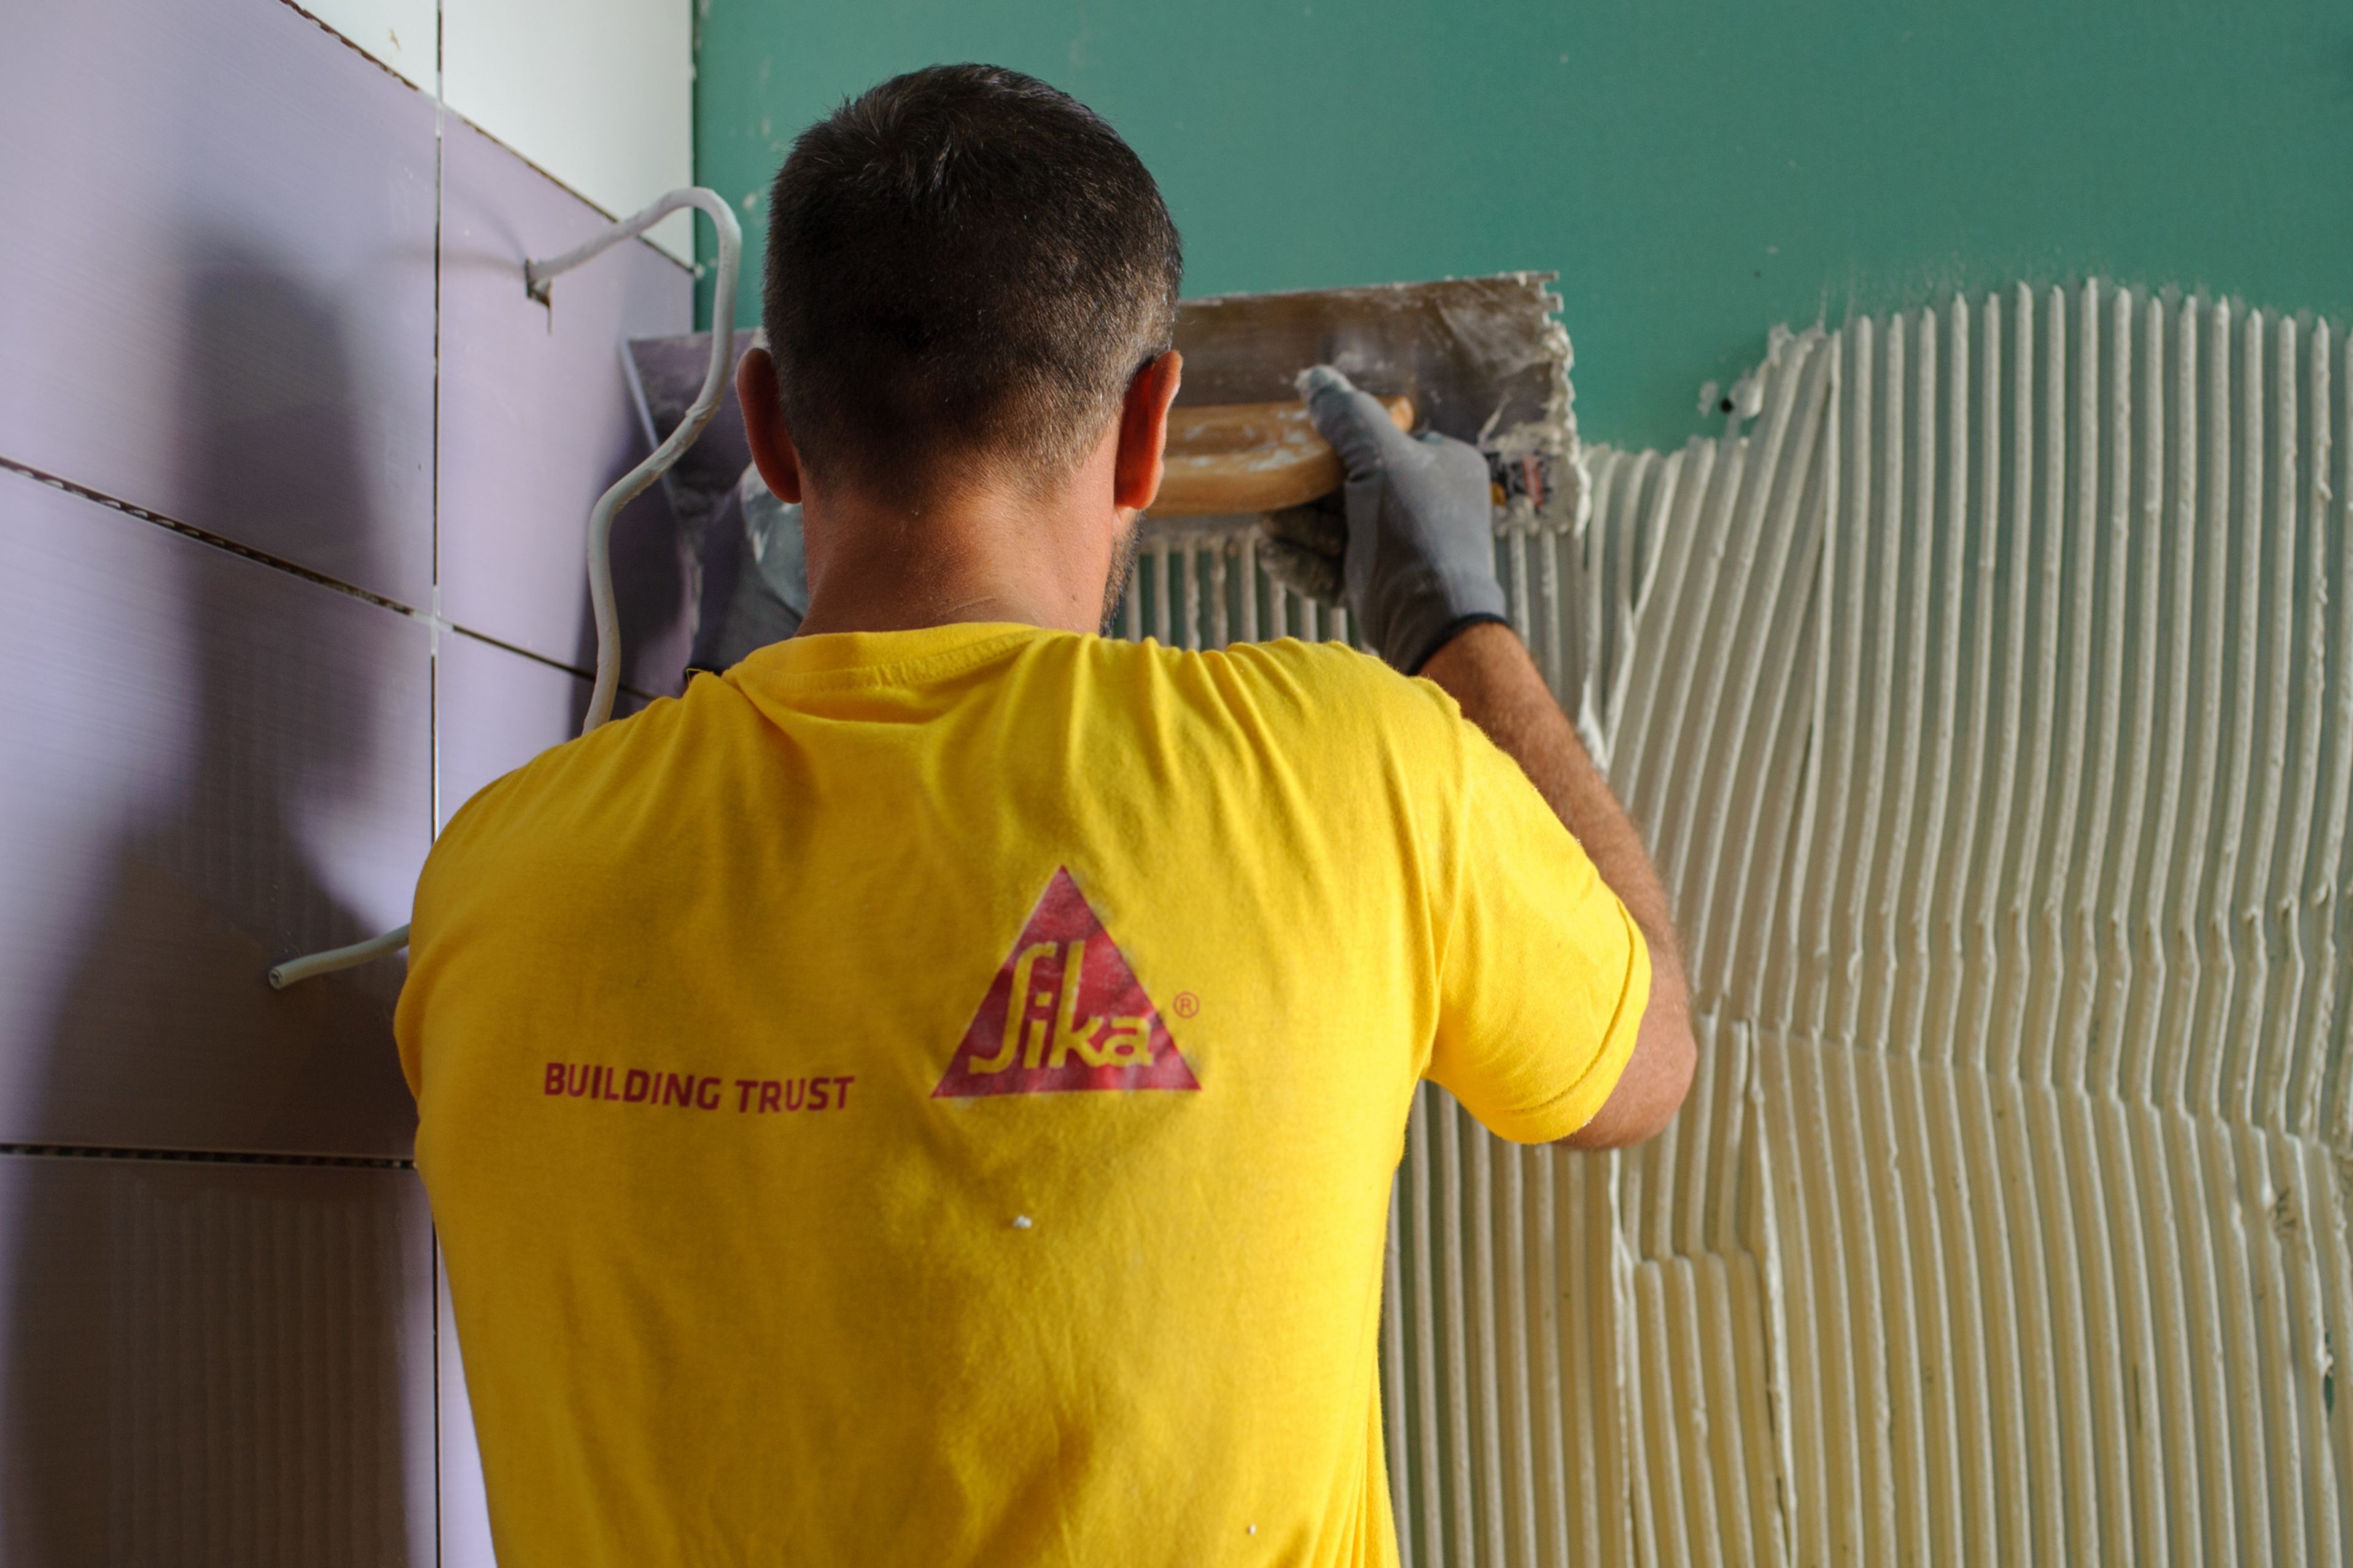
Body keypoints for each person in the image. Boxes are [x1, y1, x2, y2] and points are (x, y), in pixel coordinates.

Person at [395, 62, 1693, 1567]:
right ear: (1150, 428)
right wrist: (1456, 619)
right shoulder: (1357, 772)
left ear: (766, 424)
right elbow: (1641, 1061)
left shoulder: (494, 880)